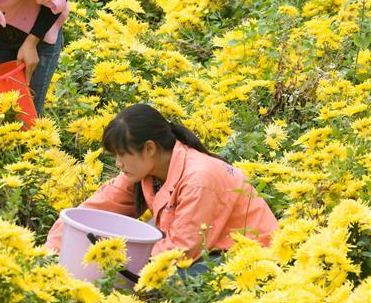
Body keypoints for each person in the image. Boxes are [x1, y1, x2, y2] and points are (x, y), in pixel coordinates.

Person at [46, 104, 278, 274]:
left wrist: (116, 264)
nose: (118, 163)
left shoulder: (199, 179)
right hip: (199, 243)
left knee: (168, 284)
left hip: (247, 255)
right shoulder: (144, 170)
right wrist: (54, 250)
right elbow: (98, 208)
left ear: (149, 148)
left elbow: (181, 250)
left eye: (122, 154)